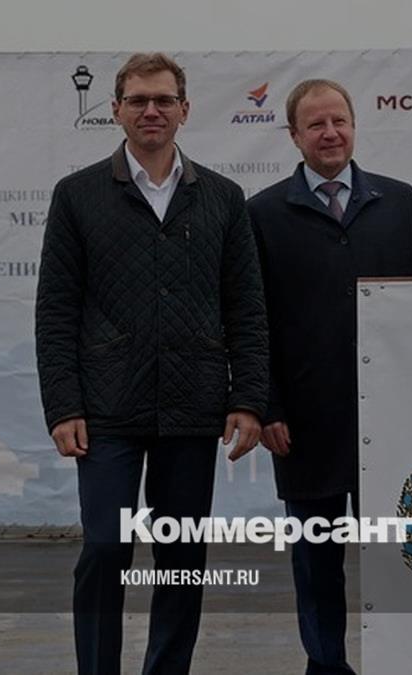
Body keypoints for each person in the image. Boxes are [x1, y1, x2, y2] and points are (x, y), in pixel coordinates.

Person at [35, 52, 268, 675]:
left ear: (184, 110)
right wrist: (63, 406)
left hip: (194, 405)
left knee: (182, 558)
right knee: (105, 548)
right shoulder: (77, 196)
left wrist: (248, 399)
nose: (151, 111)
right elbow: (56, 310)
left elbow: (246, 308)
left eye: (164, 100)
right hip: (106, 409)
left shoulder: (223, 198)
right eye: (138, 100)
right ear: (116, 110)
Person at [241, 78, 412, 675]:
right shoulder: (263, 214)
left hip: (392, 419)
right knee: (316, 561)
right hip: (305, 422)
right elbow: (252, 318)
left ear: (354, 125)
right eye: (315, 124)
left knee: (400, 558)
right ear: (294, 135)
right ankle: (326, 665)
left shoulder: (401, 203)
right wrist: (267, 405)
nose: (330, 133)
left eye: (339, 120)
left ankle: (402, 661)